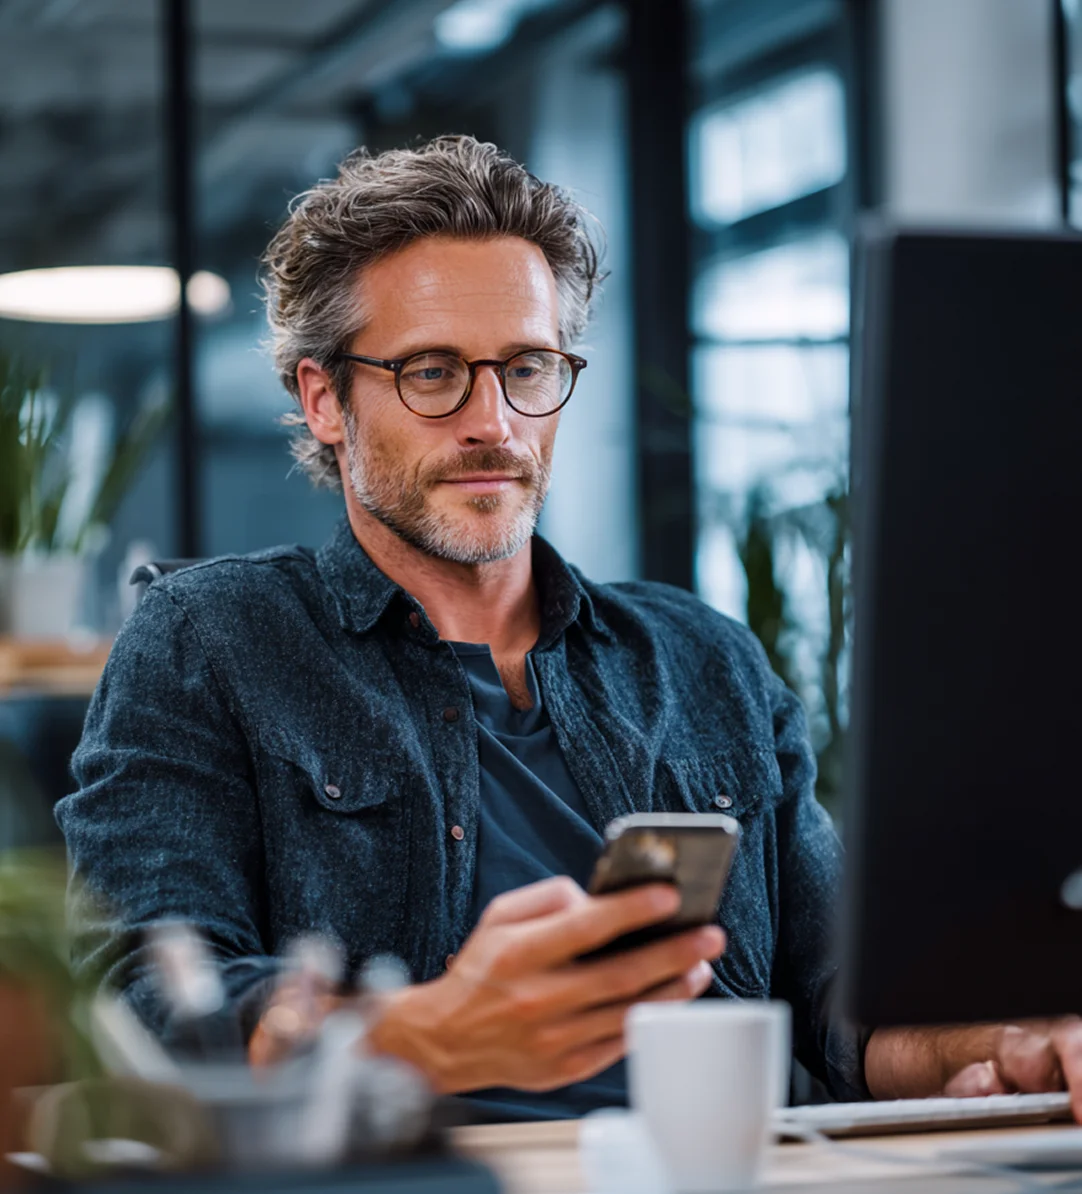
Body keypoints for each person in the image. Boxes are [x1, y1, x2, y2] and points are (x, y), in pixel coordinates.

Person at [57, 136, 1082, 1121]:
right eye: (430, 372)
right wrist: (425, 1033)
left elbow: (838, 1005)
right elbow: (141, 1008)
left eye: (527, 368)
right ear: (325, 398)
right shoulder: (211, 641)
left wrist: (996, 1040)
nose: (492, 422)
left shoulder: (700, 660)